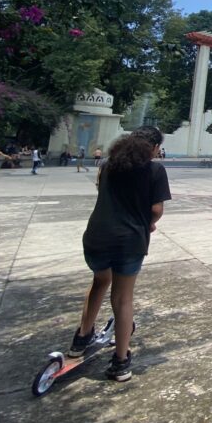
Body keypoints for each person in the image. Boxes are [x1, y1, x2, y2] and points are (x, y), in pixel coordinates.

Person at [68, 126, 170, 382]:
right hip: (128, 240)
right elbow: (156, 209)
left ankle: (81, 338)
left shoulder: (106, 164)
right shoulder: (154, 169)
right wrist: (147, 222)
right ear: (156, 148)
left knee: (99, 282)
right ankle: (121, 361)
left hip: (96, 235)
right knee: (123, 298)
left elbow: (104, 196)